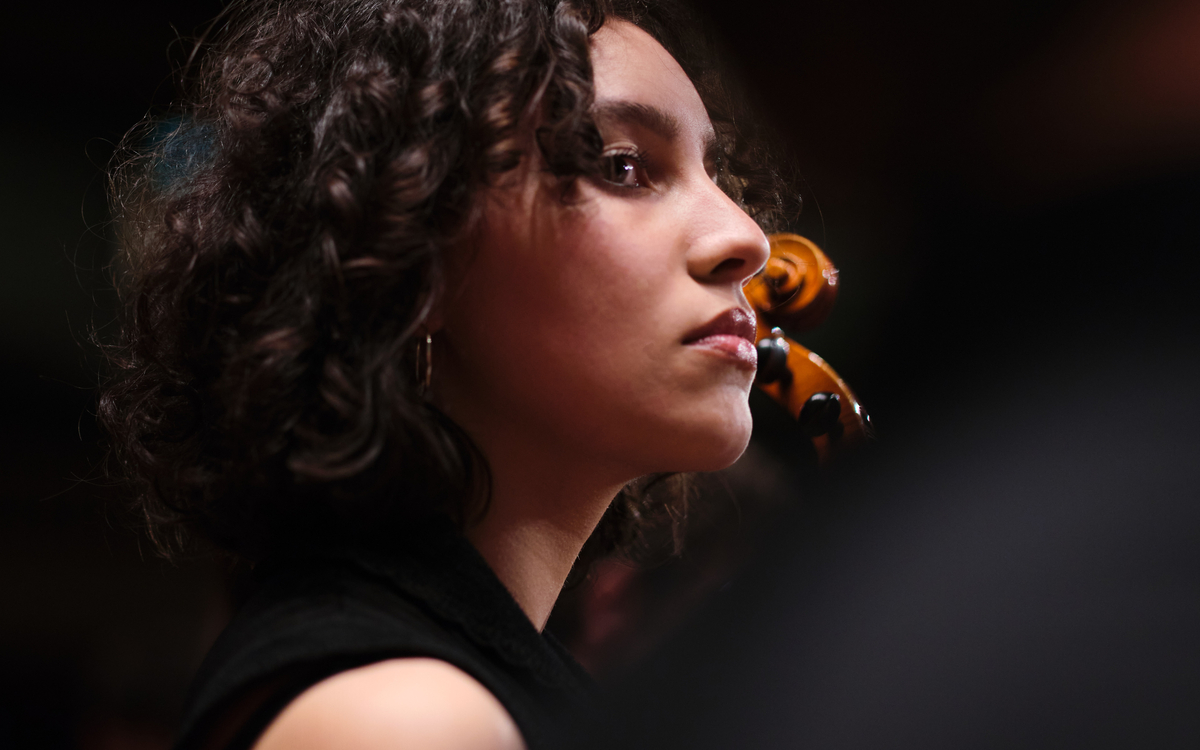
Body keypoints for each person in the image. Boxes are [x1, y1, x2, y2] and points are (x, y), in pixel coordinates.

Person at [101, 0, 788, 748]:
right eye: (623, 166)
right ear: (410, 249)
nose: (746, 238)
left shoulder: (465, 680)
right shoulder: (407, 719)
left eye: (714, 173)